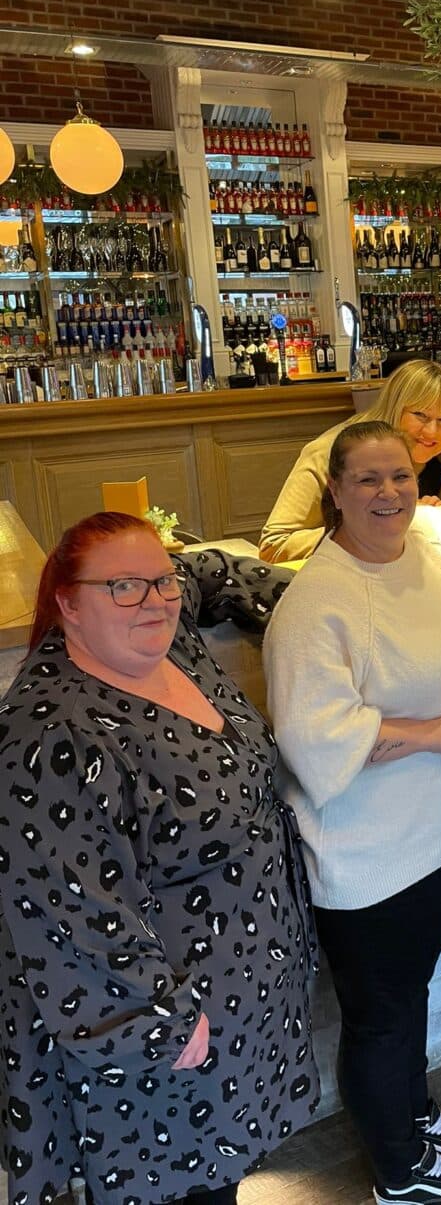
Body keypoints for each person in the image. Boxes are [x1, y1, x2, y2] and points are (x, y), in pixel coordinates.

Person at [0, 513, 319, 1205]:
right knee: (181, 1187)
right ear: (67, 602)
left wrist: (319, 599)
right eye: (122, 586)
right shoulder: (51, 733)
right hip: (166, 1021)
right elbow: (68, 908)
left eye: (159, 581)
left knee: (224, 1171)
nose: (154, 599)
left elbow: (205, 571)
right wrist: (160, 1020)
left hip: (245, 990)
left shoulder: (173, 643)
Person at [263, 421, 441, 1205]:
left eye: (399, 475)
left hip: (439, 836)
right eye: (367, 479)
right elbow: (312, 737)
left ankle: (412, 1111)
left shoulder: (422, 551)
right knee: (380, 1018)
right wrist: (430, 732)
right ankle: (399, 1170)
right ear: (333, 490)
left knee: (411, 994)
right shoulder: (316, 602)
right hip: (368, 856)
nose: (388, 492)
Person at [259, 359, 441, 562]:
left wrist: (439, 517)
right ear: (394, 408)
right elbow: (274, 545)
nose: (432, 432)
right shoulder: (329, 453)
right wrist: (391, 523)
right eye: (420, 415)